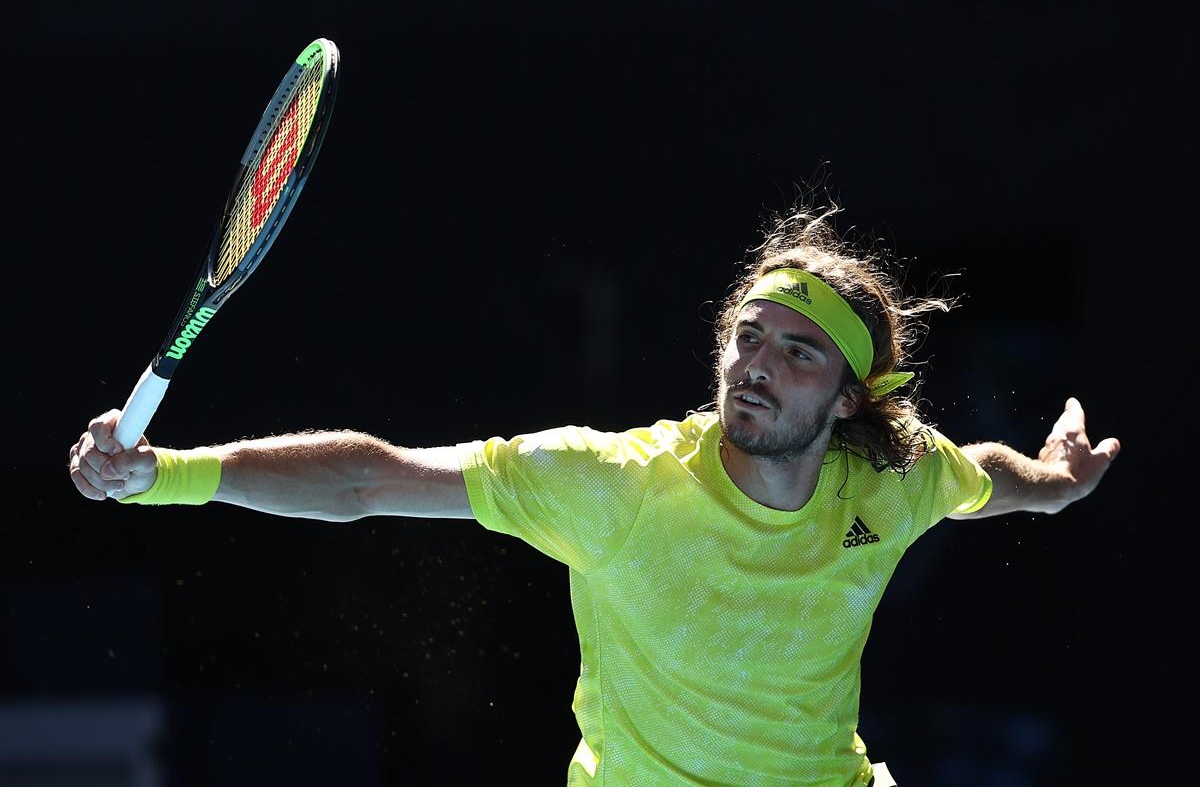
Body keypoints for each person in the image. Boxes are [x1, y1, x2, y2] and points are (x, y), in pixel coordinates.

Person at [68, 204, 1119, 787]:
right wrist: (167, 473)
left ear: (847, 397)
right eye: (747, 333)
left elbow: (994, 477)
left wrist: (1057, 487)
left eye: (797, 351)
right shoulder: (616, 485)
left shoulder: (896, 476)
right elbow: (371, 476)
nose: (757, 360)